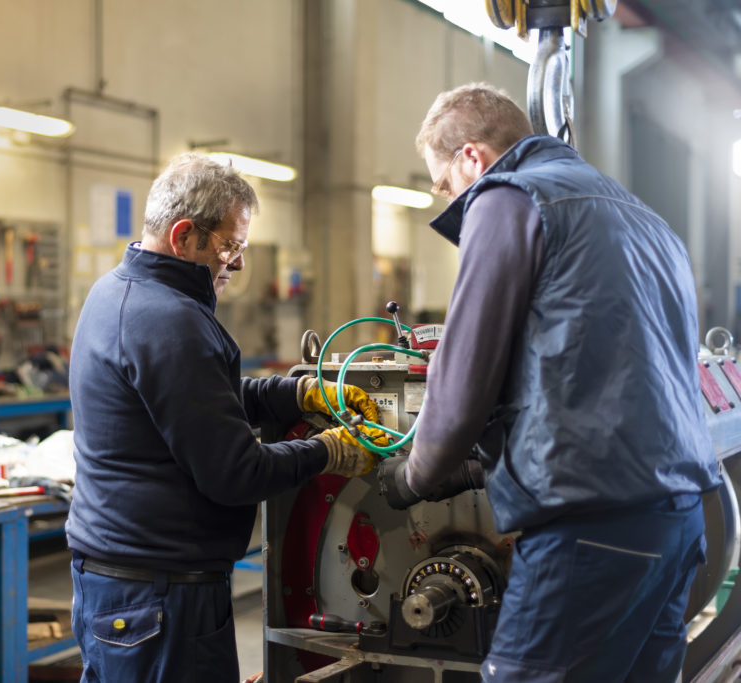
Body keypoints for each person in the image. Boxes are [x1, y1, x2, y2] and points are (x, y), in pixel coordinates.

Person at [377, 83, 721, 682]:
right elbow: (591, 382)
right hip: (681, 518)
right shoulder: (645, 218)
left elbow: (461, 385)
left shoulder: (507, 198)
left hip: (590, 529)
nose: (450, 197)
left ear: (473, 160)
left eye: (444, 185)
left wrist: (413, 476)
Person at [66, 152, 384, 683]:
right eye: (230, 246)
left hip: (124, 588)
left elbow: (196, 399)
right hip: (162, 598)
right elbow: (237, 473)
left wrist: (299, 395)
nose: (236, 264)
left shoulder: (116, 291)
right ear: (184, 236)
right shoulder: (171, 320)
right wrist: (333, 450)